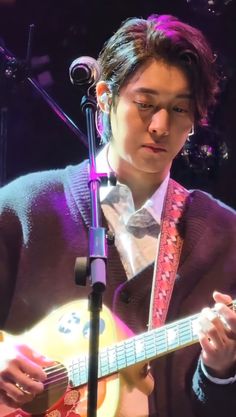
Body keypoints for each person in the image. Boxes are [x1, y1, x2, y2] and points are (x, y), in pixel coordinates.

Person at [0, 13, 236, 417]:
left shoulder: (224, 236)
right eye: (145, 104)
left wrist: (221, 371)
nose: (161, 126)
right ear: (106, 97)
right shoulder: (25, 206)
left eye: (180, 110)